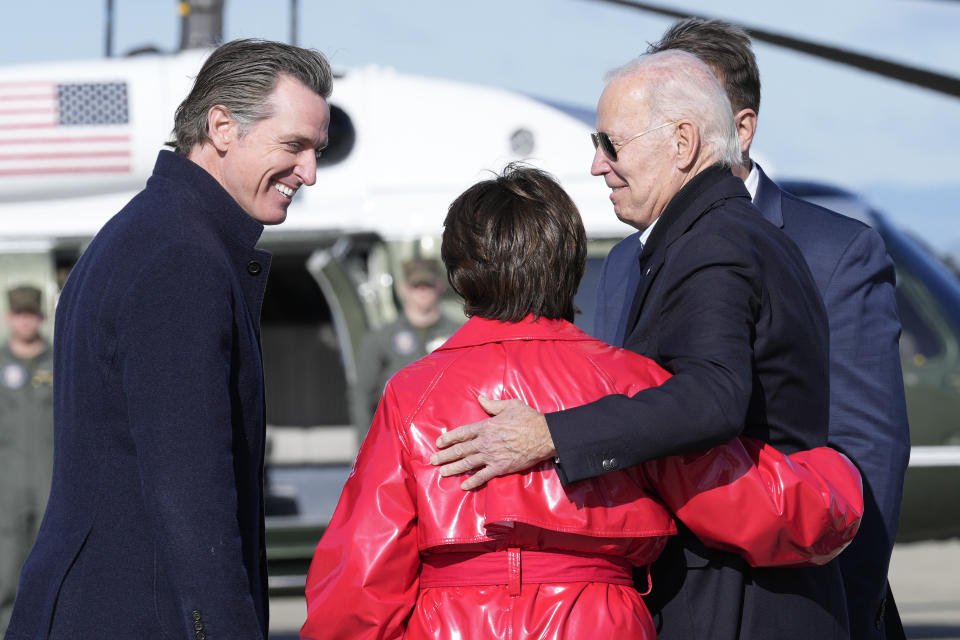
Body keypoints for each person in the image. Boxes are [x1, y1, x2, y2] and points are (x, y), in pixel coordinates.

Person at [301, 165, 863, 640]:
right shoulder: (631, 381)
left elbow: (363, 567)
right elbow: (754, 506)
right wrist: (837, 477)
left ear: (459, 274)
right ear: (572, 266)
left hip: (450, 621)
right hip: (597, 620)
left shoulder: (414, 392)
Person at [431, 51, 851, 638]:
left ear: (682, 142)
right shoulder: (724, 235)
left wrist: (552, 435)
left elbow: (711, 399)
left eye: (612, 143)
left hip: (735, 593)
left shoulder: (714, 245)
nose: (599, 164)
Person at [4, 39, 331, 640]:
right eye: (294, 146)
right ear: (222, 126)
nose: (309, 172)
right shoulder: (183, 259)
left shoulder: (143, 232)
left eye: (316, 151)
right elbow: (192, 493)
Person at [621, 20, 907, 639]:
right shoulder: (627, 258)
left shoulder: (836, 251)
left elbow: (868, 458)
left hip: (794, 604)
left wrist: (844, 616)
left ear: (740, 127)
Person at [350, 258, 460, 435]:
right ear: (403, 289)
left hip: (445, 434)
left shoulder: (458, 335)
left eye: (428, 285)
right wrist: (364, 444)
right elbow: (362, 393)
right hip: (396, 433)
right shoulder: (381, 337)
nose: (423, 291)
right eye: (416, 286)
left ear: (440, 286)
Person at [0, 286, 53, 634]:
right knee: (5, 570)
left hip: (51, 481)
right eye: (19, 314)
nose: (25, 321)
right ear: (8, 318)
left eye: (31, 314)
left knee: (48, 564)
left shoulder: (59, 359)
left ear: (41, 316)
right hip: (7, 485)